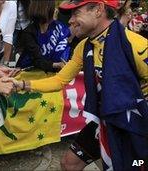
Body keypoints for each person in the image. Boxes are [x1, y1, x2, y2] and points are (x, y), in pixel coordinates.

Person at [8, 0, 148, 170]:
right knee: (69, 164)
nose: (70, 20)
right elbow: (59, 80)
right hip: (105, 118)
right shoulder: (83, 47)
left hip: (136, 124)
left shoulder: (136, 44)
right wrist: (20, 84)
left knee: (134, 166)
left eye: (76, 13)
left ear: (98, 10)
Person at [15, 0, 71, 72]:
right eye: (53, 8)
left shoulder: (56, 25)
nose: (56, 10)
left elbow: (67, 39)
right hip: (30, 72)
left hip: (52, 72)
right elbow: (37, 61)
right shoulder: (29, 33)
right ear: (45, 10)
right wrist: (58, 65)